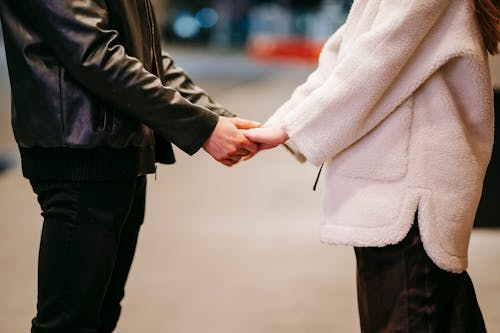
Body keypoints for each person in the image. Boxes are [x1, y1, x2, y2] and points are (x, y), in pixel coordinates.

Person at [0, 0, 259, 332]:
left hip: (119, 146)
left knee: (101, 313)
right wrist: (202, 128)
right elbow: (94, 54)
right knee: (68, 322)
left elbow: (146, 55)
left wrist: (214, 117)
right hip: (80, 149)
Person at [246, 0, 499, 331]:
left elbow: (375, 58)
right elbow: (346, 53)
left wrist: (290, 128)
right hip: (395, 190)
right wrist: (282, 124)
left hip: (409, 197)